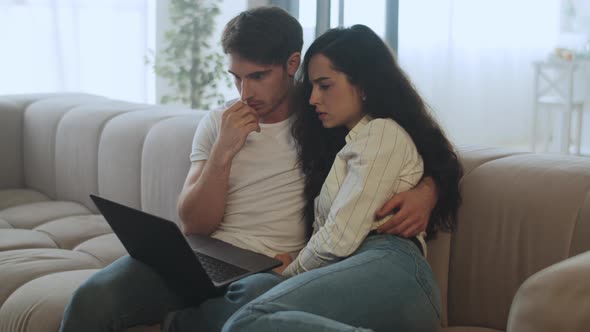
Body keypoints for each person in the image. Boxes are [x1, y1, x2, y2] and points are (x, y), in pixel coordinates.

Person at [59, 7, 440, 332]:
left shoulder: (325, 118)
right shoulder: (218, 122)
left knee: (252, 306)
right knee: (92, 299)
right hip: (199, 255)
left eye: (257, 76)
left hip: (263, 271)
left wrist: (427, 191)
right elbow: (193, 224)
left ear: (293, 64)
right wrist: (223, 151)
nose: (245, 93)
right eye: (236, 78)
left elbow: (416, 151)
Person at [221, 24, 463, 332]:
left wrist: (289, 272)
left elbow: (341, 235)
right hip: (352, 271)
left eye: (325, 85)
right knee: (251, 300)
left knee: (248, 320)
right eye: (311, 86)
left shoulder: (381, 132)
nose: (311, 99)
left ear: (363, 85)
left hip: (392, 268)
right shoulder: (342, 143)